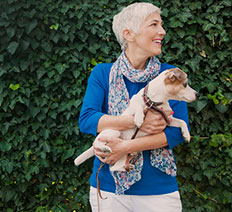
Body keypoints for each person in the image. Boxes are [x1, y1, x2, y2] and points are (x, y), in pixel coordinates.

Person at [79, 2, 189, 212]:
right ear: (129, 34)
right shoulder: (103, 73)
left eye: (161, 24)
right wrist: (135, 120)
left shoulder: (169, 76)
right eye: (154, 24)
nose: (162, 31)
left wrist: (125, 147)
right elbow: (87, 120)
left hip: (159, 191)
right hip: (110, 188)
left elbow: (176, 134)